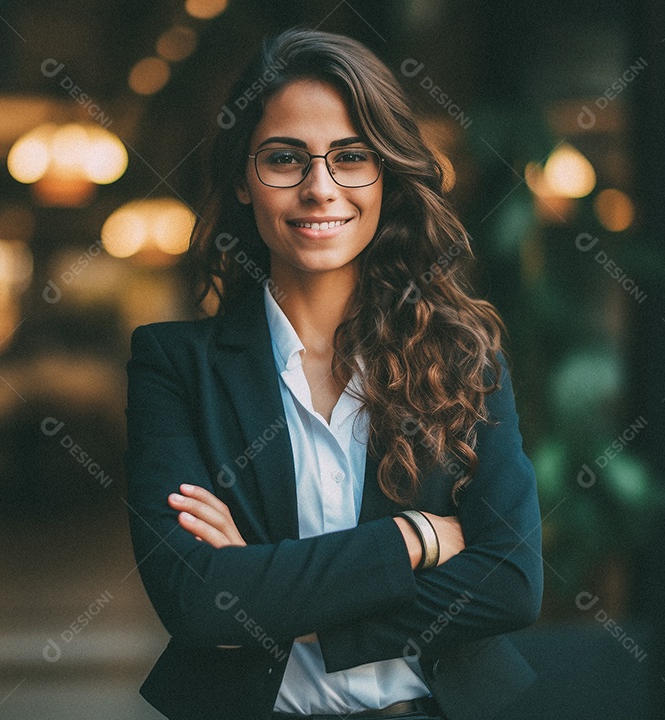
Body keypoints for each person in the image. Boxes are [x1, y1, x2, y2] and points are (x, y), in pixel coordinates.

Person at [125, 27, 542, 720]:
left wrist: (269, 593)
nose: (321, 189)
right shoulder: (175, 367)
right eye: (285, 159)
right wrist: (417, 539)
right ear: (241, 179)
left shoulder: (463, 357)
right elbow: (198, 601)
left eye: (352, 158)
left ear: (386, 176)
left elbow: (510, 583)